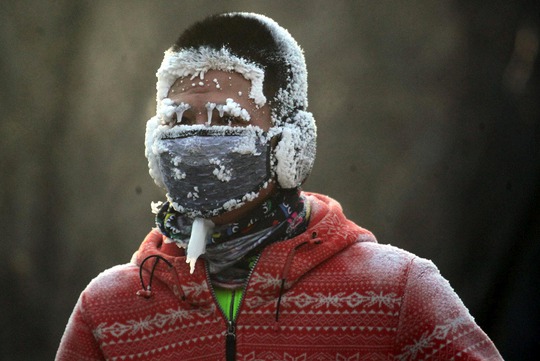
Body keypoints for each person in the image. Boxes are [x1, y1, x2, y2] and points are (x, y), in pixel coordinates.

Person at [56, 12, 503, 361]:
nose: (194, 140)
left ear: (291, 144)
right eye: (179, 120)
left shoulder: (394, 294)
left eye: (227, 119)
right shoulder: (108, 313)